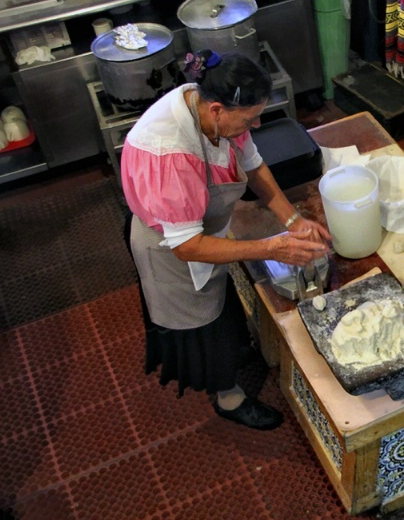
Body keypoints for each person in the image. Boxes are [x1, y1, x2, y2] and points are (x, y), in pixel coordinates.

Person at [121, 50, 330, 431]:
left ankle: (234, 354)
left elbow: (253, 165)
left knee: (222, 309)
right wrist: (272, 247)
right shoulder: (170, 153)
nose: (256, 123)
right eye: (250, 119)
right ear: (217, 109)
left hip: (203, 232)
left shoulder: (211, 108)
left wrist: (293, 219)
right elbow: (187, 247)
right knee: (202, 328)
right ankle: (227, 396)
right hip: (171, 250)